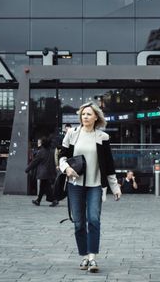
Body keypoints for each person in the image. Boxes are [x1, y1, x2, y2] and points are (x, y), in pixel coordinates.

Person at [59, 102, 121, 273]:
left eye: (88, 114)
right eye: (83, 114)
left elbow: (108, 165)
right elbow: (62, 157)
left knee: (93, 220)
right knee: (78, 222)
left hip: (95, 185)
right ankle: (84, 257)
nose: (85, 117)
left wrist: (115, 187)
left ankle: (93, 258)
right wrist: (67, 168)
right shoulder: (72, 134)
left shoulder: (102, 137)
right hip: (75, 184)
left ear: (96, 118)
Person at [25, 136, 58, 207]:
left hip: (44, 173)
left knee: (46, 187)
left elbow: (35, 162)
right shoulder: (51, 151)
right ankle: (38, 200)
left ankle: (54, 200)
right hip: (50, 171)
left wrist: (27, 169)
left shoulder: (41, 152)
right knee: (43, 187)